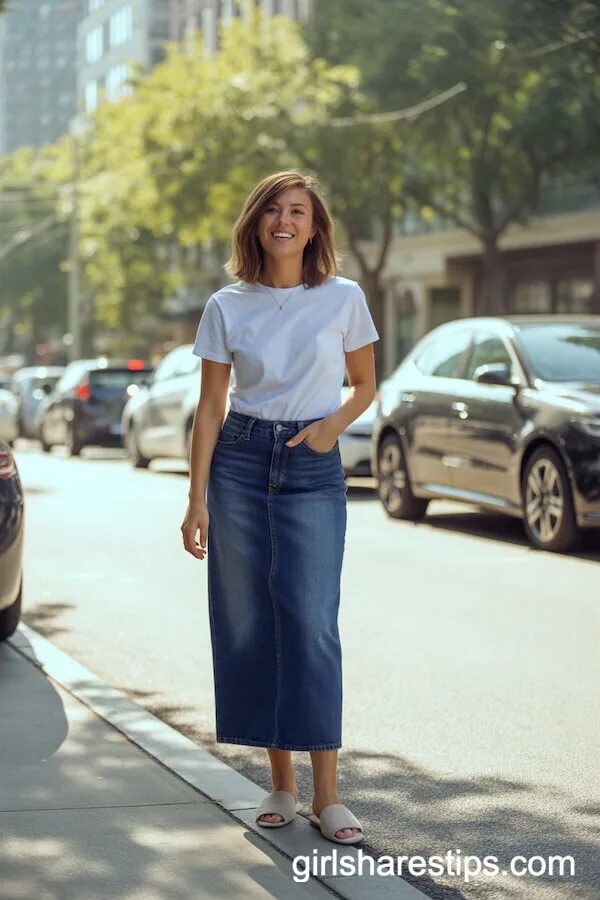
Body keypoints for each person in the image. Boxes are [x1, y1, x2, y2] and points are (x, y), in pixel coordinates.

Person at [181, 170, 379, 845]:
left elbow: (365, 384)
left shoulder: (344, 297)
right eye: (272, 209)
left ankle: (328, 795)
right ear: (255, 224)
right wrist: (195, 497)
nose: (284, 220)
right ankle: (282, 784)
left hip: (312, 463)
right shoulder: (226, 305)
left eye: (297, 210)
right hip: (238, 460)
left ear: (315, 226)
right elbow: (210, 407)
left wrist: (331, 428)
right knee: (250, 621)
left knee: (312, 623)